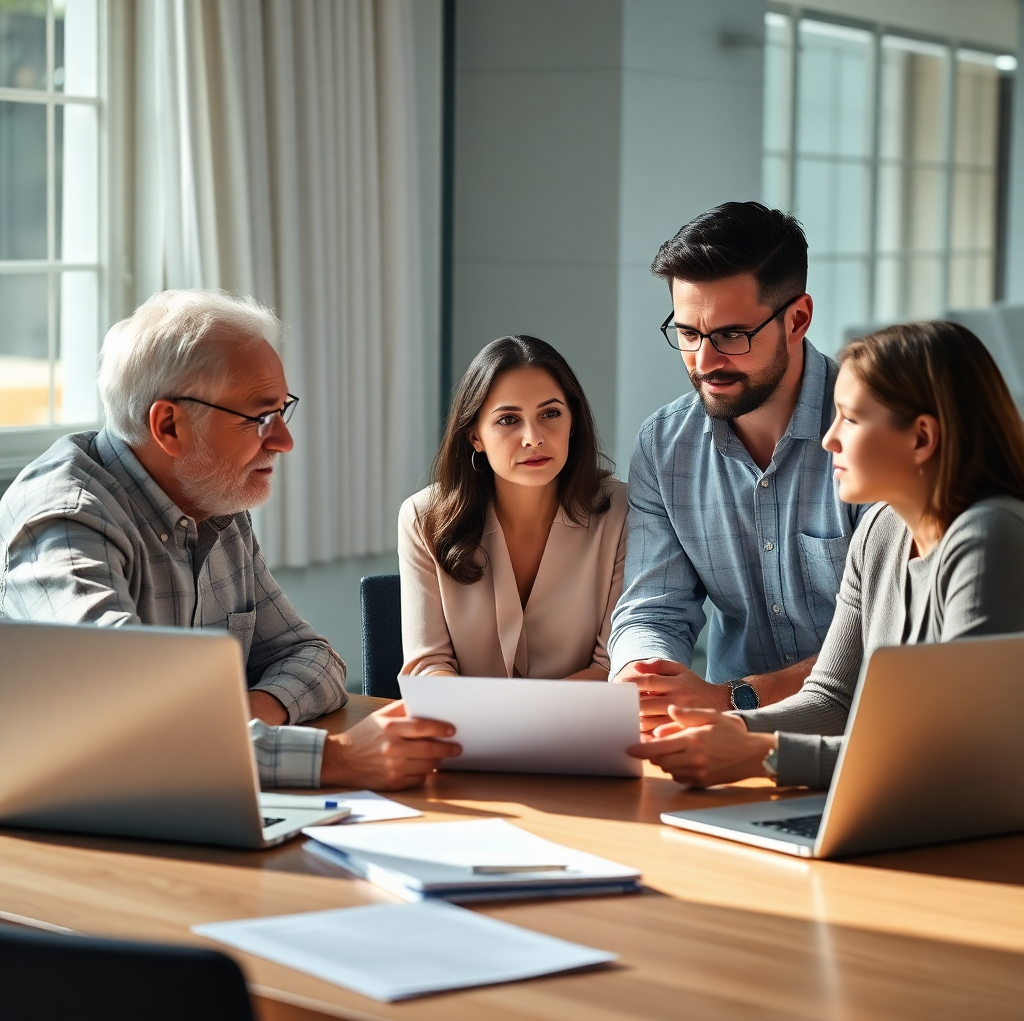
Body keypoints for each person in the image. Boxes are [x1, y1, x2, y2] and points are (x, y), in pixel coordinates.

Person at [0, 289, 459, 791]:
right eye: (259, 417)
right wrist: (338, 759)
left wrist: (241, 719)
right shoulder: (66, 522)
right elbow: (122, 725)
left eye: (283, 410)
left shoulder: (211, 495)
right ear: (169, 425)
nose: (284, 441)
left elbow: (314, 658)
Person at [633, 320, 1024, 788]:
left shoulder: (989, 536)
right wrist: (726, 731)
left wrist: (767, 756)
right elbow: (833, 700)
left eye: (851, 419)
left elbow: (959, 749)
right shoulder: (879, 531)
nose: (828, 439)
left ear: (921, 438)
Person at [608, 202, 870, 733]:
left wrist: (736, 698)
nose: (704, 362)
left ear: (797, 319)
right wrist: (644, 678)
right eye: (687, 334)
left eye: (731, 335)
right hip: (716, 739)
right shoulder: (664, 446)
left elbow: (886, 641)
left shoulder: (871, 437)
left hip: (864, 737)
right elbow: (653, 609)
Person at [399, 335, 626, 679]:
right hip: (466, 728)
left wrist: (521, 722)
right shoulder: (423, 518)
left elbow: (613, 666)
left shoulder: (621, 511)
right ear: (475, 435)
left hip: (581, 730)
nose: (533, 437)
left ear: (573, 422)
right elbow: (428, 667)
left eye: (550, 413)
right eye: (508, 419)